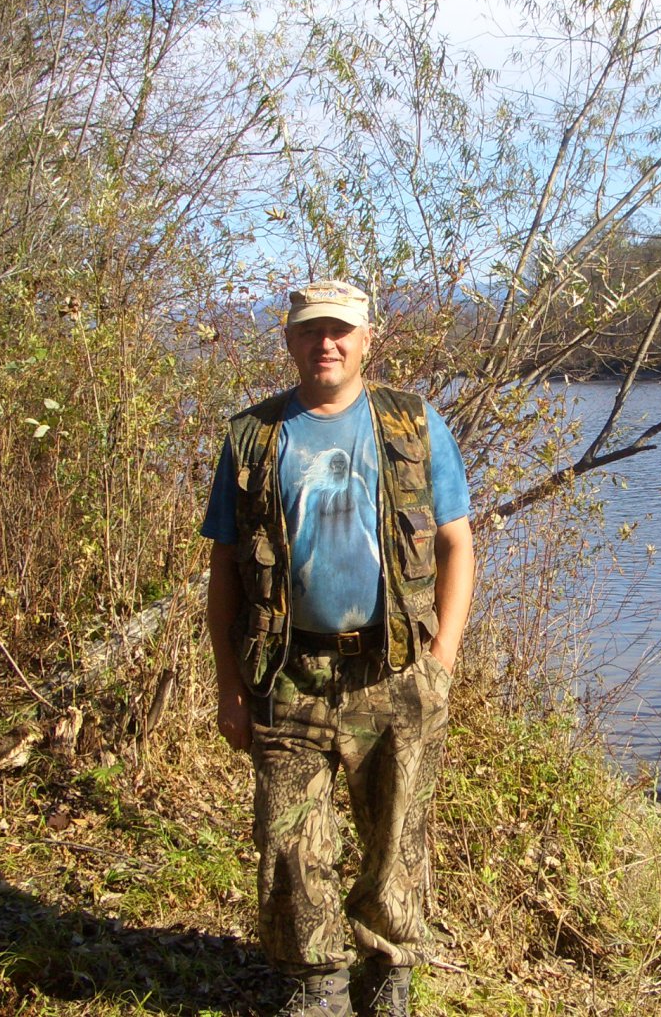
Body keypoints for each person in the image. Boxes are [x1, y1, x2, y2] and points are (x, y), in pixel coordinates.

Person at [201, 280, 474, 1017]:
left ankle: (387, 980)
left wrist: (442, 658)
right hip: (286, 676)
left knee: (396, 842)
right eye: (310, 330)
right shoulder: (252, 436)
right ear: (289, 340)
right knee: (290, 848)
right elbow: (224, 570)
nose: (326, 343)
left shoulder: (413, 424)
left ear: (366, 340)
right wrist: (230, 685)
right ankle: (315, 986)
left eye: (340, 330)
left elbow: (457, 544)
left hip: (394, 672)